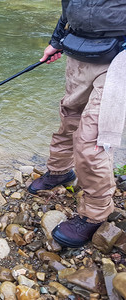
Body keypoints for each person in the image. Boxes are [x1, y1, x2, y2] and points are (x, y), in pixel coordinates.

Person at [28, 0, 126, 248]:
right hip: (80, 50)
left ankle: (95, 213)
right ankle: (59, 172)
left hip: (119, 59)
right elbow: (69, 6)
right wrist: (57, 40)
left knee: (92, 138)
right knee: (69, 117)